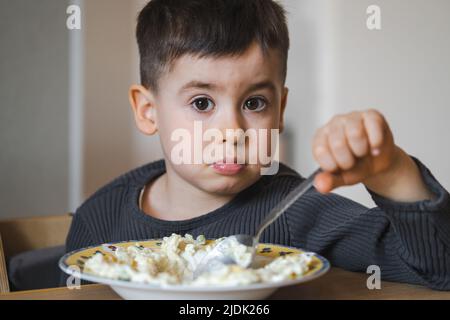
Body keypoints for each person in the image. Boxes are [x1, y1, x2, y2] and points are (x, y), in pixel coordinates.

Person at [63, 0, 450, 290]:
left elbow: (437, 269)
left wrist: (393, 173)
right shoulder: (99, 220)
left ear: (280, 110)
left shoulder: (300, 211)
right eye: (202, 103)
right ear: (148, 111)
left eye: (254, 103)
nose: (232, 131)